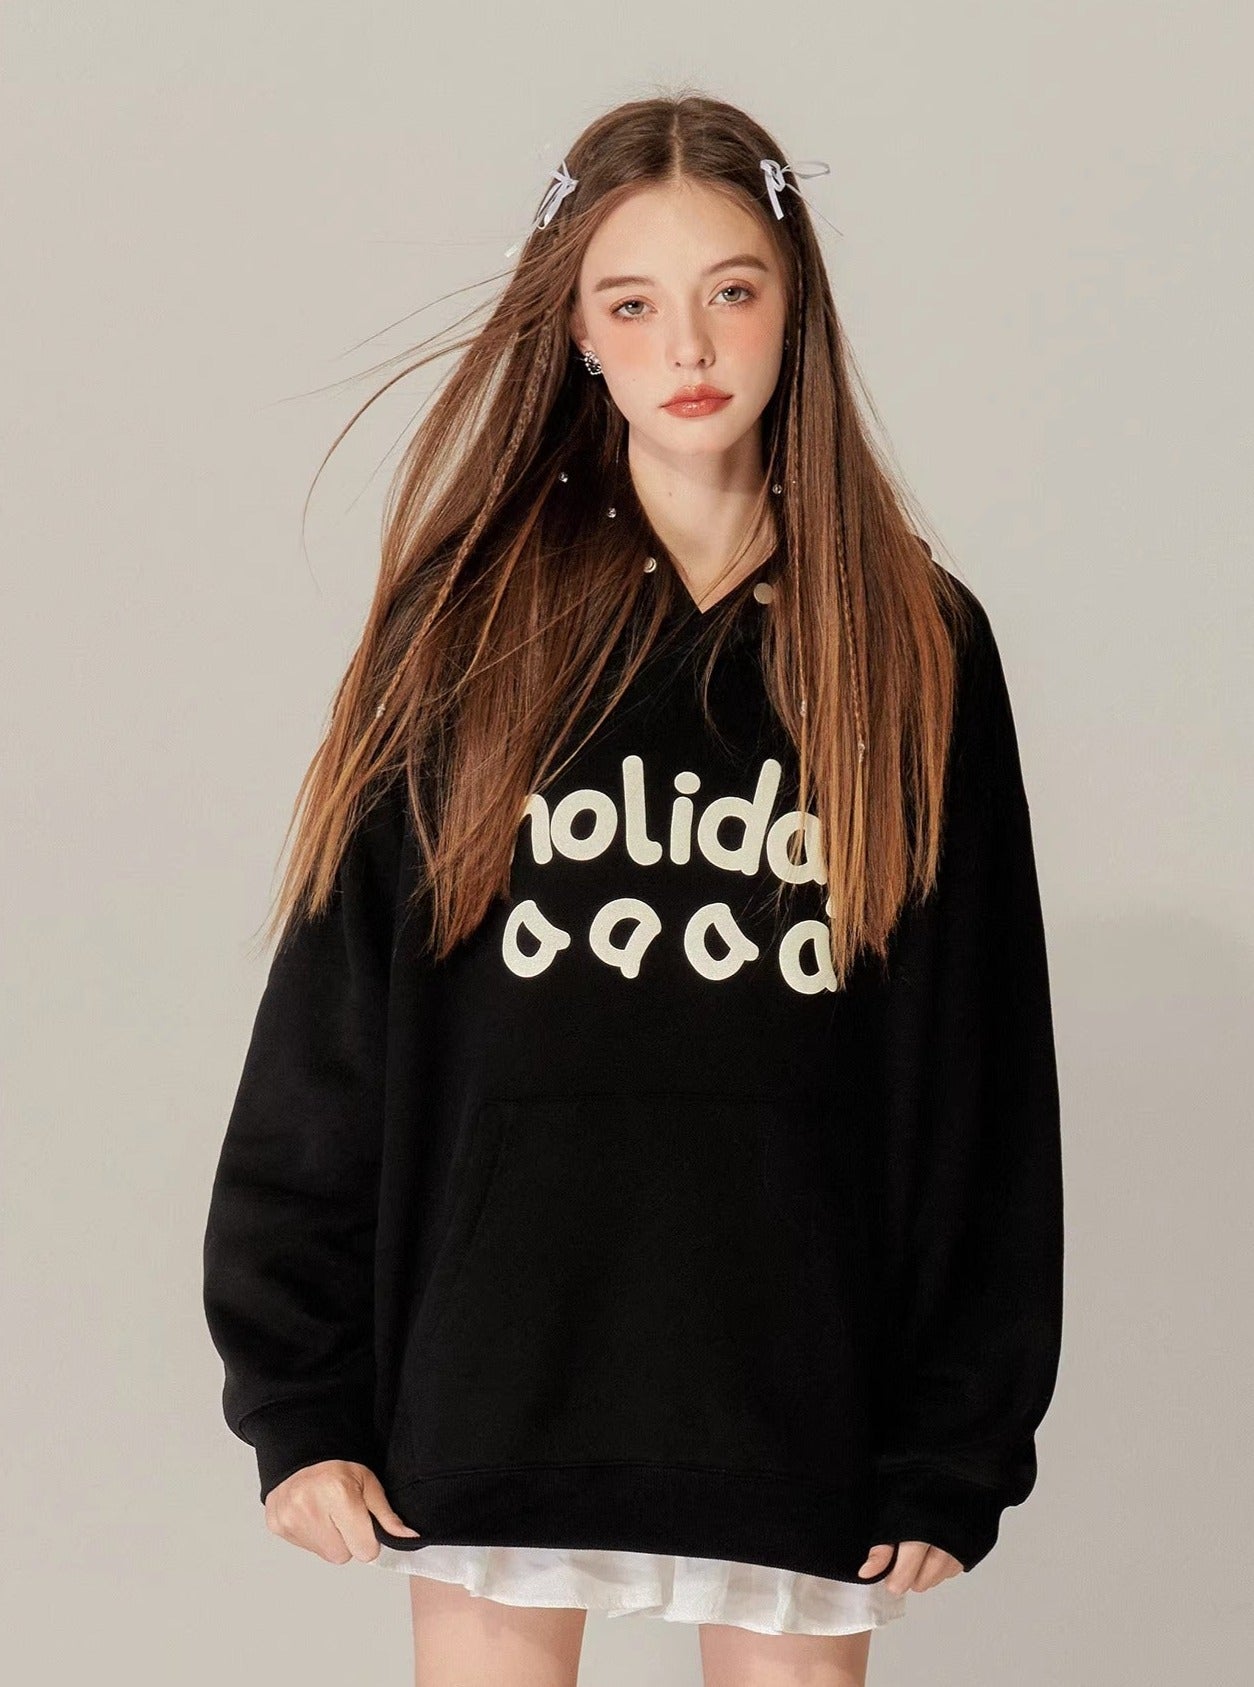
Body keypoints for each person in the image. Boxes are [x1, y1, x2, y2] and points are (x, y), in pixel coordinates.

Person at [202, 90, 1064, 1687]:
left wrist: (957, 1433)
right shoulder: (470, 626)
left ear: (796, 307)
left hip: (789, 1373)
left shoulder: (908, 636)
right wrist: (300, 1399)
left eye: (731, 290)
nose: (689, 345)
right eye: (632, 303)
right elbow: (335, 1023)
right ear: (577, 333)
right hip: (495, 1363)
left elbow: (976, 1061)